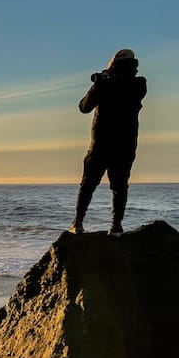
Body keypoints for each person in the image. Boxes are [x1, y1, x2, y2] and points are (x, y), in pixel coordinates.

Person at [70, 48, 147, 236]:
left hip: (100, 145)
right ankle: (116, 227)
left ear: (113, 65)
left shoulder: (105, 85)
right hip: (125, 145)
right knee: (120, 186)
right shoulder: (139, 85)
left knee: (87, 184)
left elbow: (84, 107)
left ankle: (77, 223)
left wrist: (97, 84)